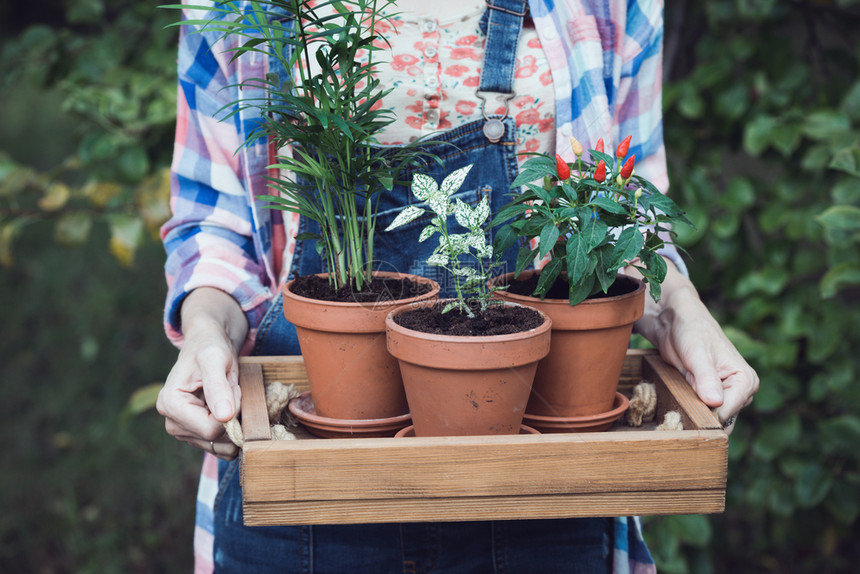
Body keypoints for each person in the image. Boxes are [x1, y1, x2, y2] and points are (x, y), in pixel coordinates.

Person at [157, 0, 759, 572]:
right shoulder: (237, 9)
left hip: (543, 476)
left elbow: (623, 211)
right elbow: (215, 226)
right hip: (308, 472)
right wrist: (205, 332)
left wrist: (680, 308)